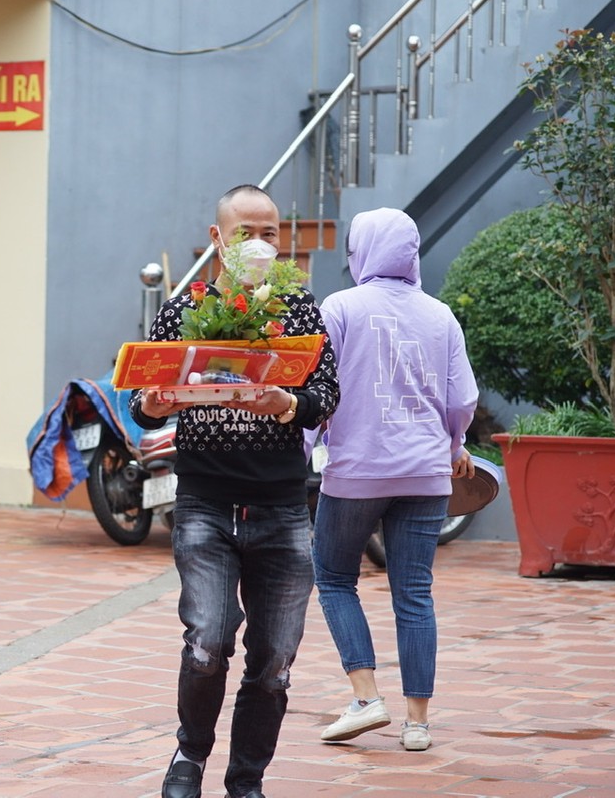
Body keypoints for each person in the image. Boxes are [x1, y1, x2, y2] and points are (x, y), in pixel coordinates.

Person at [131, 184, 339, 798]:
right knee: (208, 642)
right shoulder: (184, 308)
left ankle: (246, 779)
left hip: (280, 506)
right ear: (218, 240)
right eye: (245, 233)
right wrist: (153, 401)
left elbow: (325, 396)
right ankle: (188, 759)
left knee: (274, 662)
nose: (259, 244)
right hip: (204, 503)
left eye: (270, 233)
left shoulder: (299, 311)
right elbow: (146, 404)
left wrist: (288, 403)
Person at [312, 207, 478, 752]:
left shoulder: (337, 308)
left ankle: (366, 697)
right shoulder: (441, 315)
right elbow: (462, 398)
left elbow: (315, 391)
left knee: (336, 578)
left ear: (361, 250)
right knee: (414, 593)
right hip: (428, 472)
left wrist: (305, 448)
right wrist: (455, 446)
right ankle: (417, 722)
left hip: (357, 470)